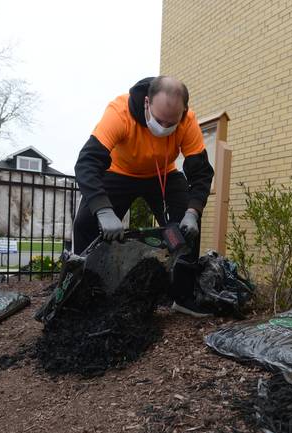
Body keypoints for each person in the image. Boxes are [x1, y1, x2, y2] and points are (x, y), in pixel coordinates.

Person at [73, 76, 214, 317]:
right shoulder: (119, 112)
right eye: (159, 121)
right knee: (85, 222)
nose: (165, 127)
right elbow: (86, 163)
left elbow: (200, 173)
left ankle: (182, 296)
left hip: (162, 174)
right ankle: (86, 293)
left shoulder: (187, 121)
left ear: (183, 112)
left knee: (187, 226)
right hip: (118, 172)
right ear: (147, 103)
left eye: (172, 122)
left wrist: (192, 212)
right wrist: (103, 210)